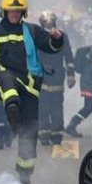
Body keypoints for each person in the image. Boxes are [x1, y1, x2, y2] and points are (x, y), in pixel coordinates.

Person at [0, 0, 65, 184]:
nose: (14, 14)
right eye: (11, 11)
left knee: (30, 132)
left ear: (22, 12)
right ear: (4, 12)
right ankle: (12, 112)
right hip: (2, 78)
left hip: (30, 85)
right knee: (8, 83)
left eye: (17, 11)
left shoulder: (32, 31)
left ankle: (25, 176)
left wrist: (57, 39)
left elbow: (51, 46)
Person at [36, 11, 76, 146]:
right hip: (44, 77)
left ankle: (55, 135)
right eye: (46, 23)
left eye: (50, 22)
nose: (48, 25)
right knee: (44, 108)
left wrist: (71, 74)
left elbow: (69, 56)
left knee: (55, 107)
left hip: (55, 77)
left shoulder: (61, 36)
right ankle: (45, 135)